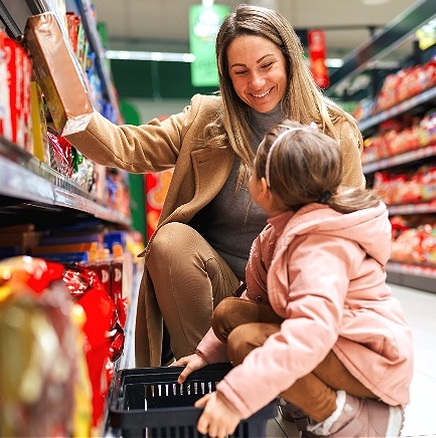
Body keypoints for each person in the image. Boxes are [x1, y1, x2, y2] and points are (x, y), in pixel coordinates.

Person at [62, 4, 366, 367]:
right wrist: (66, 104)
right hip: (223, 287)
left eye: (267, 65)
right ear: (226, 76)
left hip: (294, 289)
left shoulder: (334, 130)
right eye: (241, 72)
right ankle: (200, 378)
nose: (256, 83)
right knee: (170, 240)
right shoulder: (207, 119)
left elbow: (352, 228)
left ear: (288, 58)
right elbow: (129, 147)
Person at [174, 120, 413, 438]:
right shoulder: (280, 231)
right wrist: (205, 355)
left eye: (253, 167)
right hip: (338, 342)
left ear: (266, 187)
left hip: (369, 357)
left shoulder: (318, 246)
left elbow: (309, 333)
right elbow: (255, 300)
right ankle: (299, 401)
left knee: (249, 341)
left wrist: (234, 398)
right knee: (230, 314)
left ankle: (356, 422)